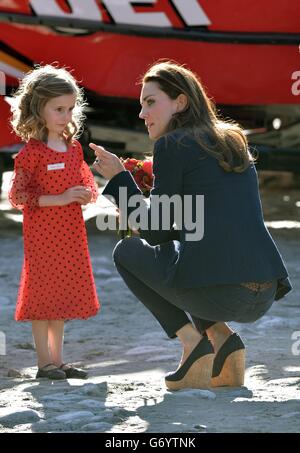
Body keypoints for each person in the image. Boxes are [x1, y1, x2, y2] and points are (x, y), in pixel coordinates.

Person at [90, 61, 292, 391]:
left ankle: (192, 344)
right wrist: (139, 194)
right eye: (141, 104)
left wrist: (118, 179)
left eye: (151, 102)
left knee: (126, 250)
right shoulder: (231, 140)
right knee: (180, 249)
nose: (142, 114)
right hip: (265, 291)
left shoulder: (173, 144)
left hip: (225, 294)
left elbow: (153, 231)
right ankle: (224, 343)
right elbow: (188, 223)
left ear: (181, 103)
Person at [9, 65, 100, 380]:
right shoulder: (31, 153)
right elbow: (18, 195)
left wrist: (86, 194)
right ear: (39, 108)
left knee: (61, 295)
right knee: (43, 294)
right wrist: (60, 198)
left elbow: (87, 181)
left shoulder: (73, 147)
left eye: (70, 108)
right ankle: (43, 363)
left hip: (70, 230)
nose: (66, 115)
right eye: (58, 108)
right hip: (42, 232)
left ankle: (58, 361)